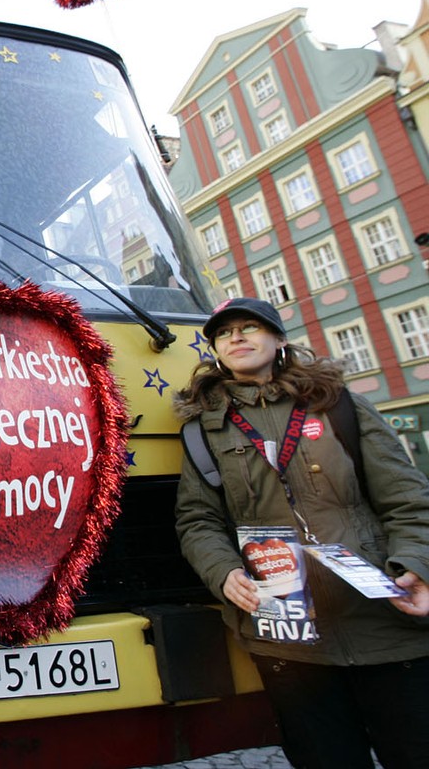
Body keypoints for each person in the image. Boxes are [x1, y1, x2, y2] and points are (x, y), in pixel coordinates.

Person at [174, 296, 429, 769]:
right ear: (214, 349)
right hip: (289, 641)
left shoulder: (341, 408)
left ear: (279, 339)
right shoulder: (203, 431)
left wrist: (416, 565)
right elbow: (198, 520)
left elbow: (410, 501)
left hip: (387, 627)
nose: (237, 337)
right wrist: (224, 571)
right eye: (225, 333)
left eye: (250, 327)